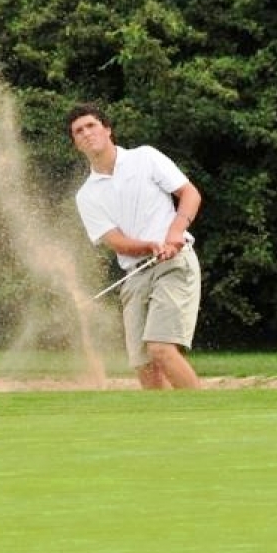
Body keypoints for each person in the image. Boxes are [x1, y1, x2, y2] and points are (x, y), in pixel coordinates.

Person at [66, 102, 202, 389]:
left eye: (91, 125)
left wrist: (176, 231)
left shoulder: (146, 158)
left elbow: (189, 193)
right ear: (76, 144)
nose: (87, 133)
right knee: (145, 366)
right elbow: (115, 241)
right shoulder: (86, 195)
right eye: (79, 131)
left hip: (173, 264)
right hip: (134, 275)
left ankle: (204, 415)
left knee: (160, 349)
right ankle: (163, 429)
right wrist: (150, 246)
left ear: (107, 129)